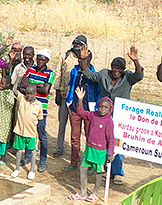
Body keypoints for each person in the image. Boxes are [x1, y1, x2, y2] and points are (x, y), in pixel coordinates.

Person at [79, 45, 144, 184]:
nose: (117, 70)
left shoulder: (128, 78)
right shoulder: (103, 74)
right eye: (115, 68)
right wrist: (84, 59)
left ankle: (117, 173)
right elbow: (87, 73)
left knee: (117, 143)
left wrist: (136, 61)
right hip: (103, 114)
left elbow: (139, 75)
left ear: (123, 70)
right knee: (101, 141)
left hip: (121, 117)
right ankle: (101, 168)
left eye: (120, 69)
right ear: (111, 67)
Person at [68, 88, 115, 203]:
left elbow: (111, 139)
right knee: (83, 168)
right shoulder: (93, 115)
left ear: (110, 109)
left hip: (100, 151)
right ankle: (83, 192)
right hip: (90, 148)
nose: (102, 109)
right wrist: (80, 100)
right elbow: (81, 113)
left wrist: (110, 153)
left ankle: (95, 193)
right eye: (101, 106)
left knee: (98, 172)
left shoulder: (109, 122)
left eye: (106, 107)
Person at [62, 39, 100, 173]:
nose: (81, 61)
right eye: (80, 59)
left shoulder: (96, 74)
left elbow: (98, 92)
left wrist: (96, 109)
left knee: (90, 138)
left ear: (89, 59)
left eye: (84, 58)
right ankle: (74, 162)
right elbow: (71, 86)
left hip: (89, 111)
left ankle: (89, 164)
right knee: (74, 137)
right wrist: (69, 102)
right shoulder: (74, 71)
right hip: (75, 109)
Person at [18, 49, 55, 172]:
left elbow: (46, 90)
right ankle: (28, 156)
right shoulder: (30, 69)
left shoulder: (50, 73)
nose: (40, 61)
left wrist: (32, 86)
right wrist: (40, 85)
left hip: (41, 108)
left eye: (42, 59)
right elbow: (21, 85)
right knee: (29, 133)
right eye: (38, 58)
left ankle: (43, 160)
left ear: (47, 61)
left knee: (42, 135)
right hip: (27, 107)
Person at [52, 35, 87, 159]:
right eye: (75, 44)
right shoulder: (65, 56)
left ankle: (76, 152)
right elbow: (58, 74)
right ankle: (60, 148)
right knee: (62, 123)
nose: (76, 47)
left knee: (76, 127)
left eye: (79, 45)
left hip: (76, 98)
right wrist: (56, 91)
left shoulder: (85, 58)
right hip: (63, 95)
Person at [10, 84, 44, 180]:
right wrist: (18, 79)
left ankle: (32, 170)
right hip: (20, 131)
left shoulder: (38, 105)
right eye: (27, 93)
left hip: (31, 133)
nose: (29, 96)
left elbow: (40, 119)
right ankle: (17, 169)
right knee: (19, 151)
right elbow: (14, 90)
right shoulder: (22, 99)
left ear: (35, 94)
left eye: (31, 94)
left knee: (33, 151)